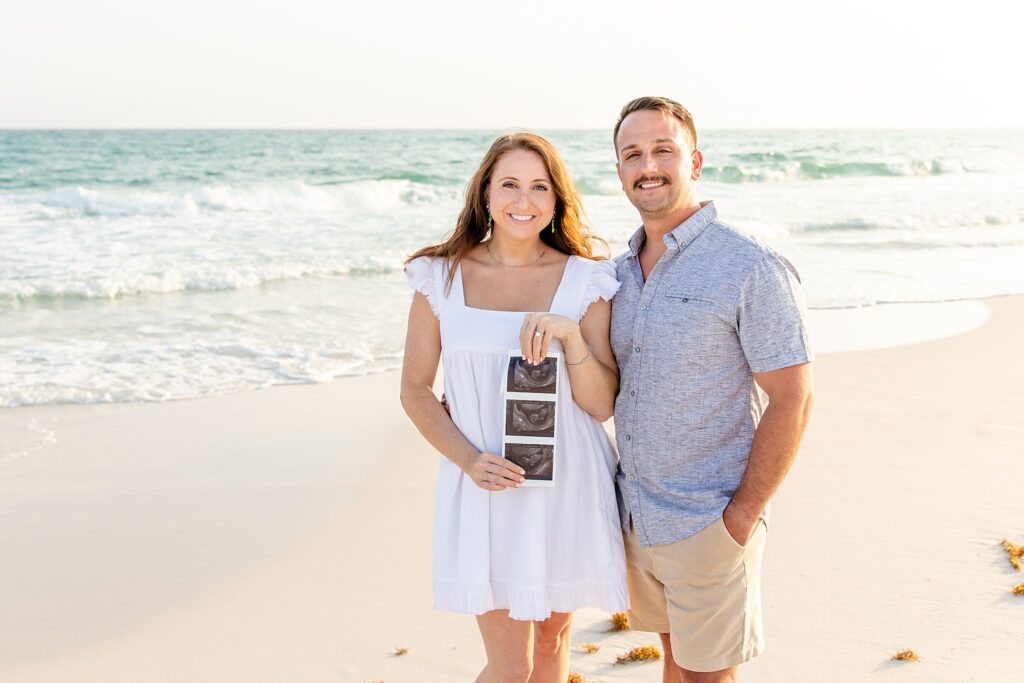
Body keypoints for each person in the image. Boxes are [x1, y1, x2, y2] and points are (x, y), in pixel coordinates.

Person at [400, 132, 628, 683]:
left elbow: (600, 405)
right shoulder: (442, 277)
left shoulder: (585, 279)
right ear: (485, 194)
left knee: (552, 648)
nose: (523, 201)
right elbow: (414, 389)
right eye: (509, 185)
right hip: (487, 486)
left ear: (556, 201)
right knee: (509, 666)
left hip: (566, 485)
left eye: (538, 187)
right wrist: (468, 459)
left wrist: (572, 340)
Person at [609, 96, 815, 683]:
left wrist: (743, 515)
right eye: (633, 154)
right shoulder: (618, 272)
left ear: (693, 161)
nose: (648, 164)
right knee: (675, 666)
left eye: (663, 150)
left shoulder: (749, 264)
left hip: (710, 520)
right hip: (639, 516)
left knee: (708, 678)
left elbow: (793, 397)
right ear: (619, 171)